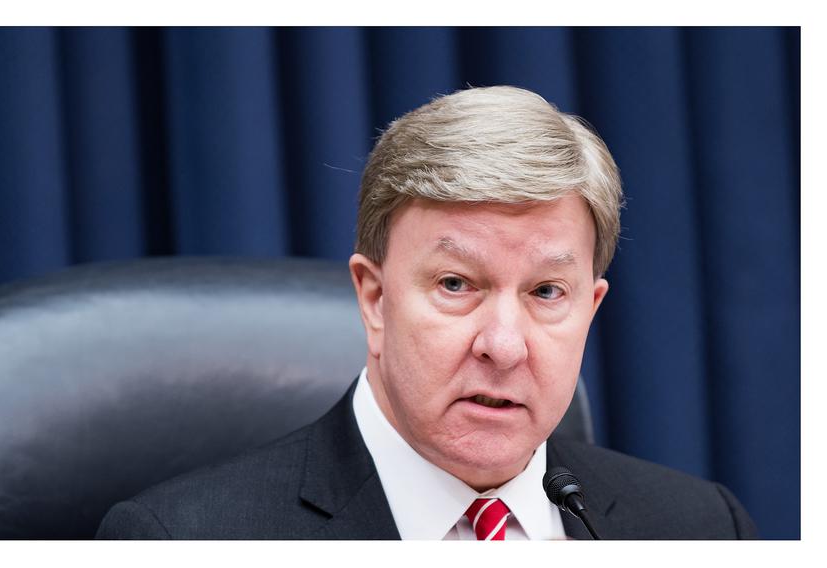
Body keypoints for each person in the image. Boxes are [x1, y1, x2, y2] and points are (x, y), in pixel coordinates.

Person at [96, 86, 757, 540]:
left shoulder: (699, 526)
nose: (504, 345)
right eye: (455, 283)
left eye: (546, 293)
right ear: (374, 299)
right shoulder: (183, 540)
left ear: (591, 308)